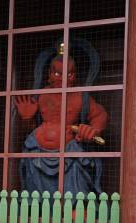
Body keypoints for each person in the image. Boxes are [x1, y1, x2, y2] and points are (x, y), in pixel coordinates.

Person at [16, 42, 108, 196]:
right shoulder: (41, 94)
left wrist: (93, 130)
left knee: (74, 193)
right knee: (36, 195)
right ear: (49, 74)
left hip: (68, 153)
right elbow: (28, 128)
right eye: (57, 73)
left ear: (75, 75)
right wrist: (27, 118)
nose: (62, 78)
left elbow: (100, 114)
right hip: (37, 150)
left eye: (69, 74)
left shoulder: (81, 96)